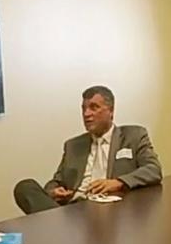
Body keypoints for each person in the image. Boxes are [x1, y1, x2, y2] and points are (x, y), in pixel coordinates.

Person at [13, 85, 162, 214]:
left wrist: (118, 182)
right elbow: (57, 181)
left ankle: (55, 229)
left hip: (110, 209)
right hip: (74, 211)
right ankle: (56, 225)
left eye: (94, 107)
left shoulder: (133, 136)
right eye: (83, 108)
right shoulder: (73, 145)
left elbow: (153, 169)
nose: (86, 114)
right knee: (24, 187)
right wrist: (54, 191)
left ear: (111, 110)